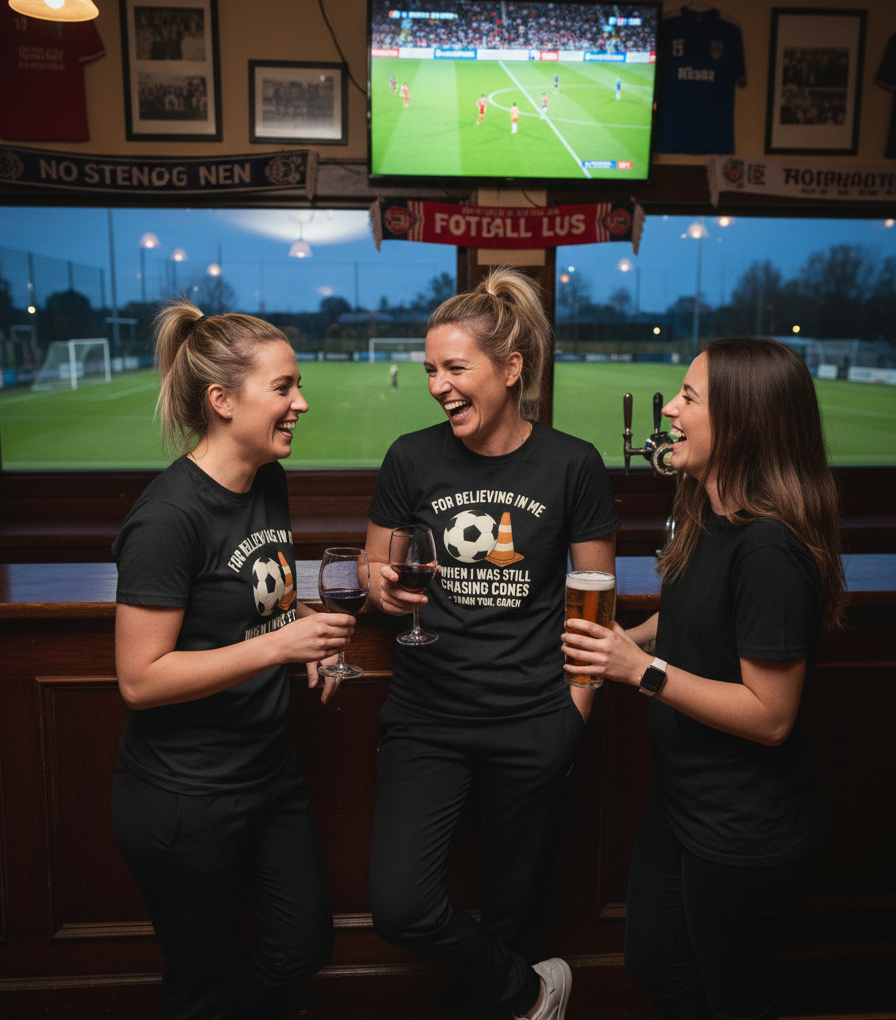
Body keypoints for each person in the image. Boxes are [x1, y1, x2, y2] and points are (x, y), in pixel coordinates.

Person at [562, 338, 846, 1020]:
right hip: (685, 796)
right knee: (654, 961)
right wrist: (622, 640)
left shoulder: (771, 550)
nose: (670, 410)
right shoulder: (708, 512)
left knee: (735, 998)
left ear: (742, 422)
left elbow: (770, 716)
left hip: (744, 826)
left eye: (689, 398)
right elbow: (695, 612)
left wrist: (639, 670)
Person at [365, 268, 619, 1020]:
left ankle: (518, 997)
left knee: (516, 916)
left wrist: (572, 716)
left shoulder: (573, 463)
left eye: (454, 368)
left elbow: (596, 605)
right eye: (430, 371)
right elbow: (373, 567)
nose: (438, 386)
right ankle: (534, 994)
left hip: (533, 719)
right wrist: (381, 585)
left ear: (510, 369)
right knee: (400, 904)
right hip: (426, 719)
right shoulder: (410, 457)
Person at [111, 303, 356, 1020]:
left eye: (297, 385)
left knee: (302, 944)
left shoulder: (266, 480)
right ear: (222, 400)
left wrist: (300, 630)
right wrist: (279, 646)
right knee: (201, 987)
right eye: (283, 387)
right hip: (185, 797)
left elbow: (258, 606)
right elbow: (140, 679)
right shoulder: (167, 518)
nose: (301, 402)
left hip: (268, 772)